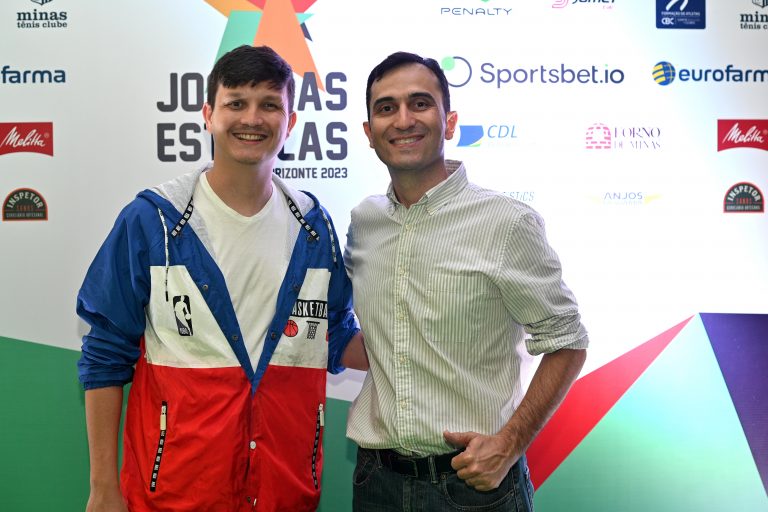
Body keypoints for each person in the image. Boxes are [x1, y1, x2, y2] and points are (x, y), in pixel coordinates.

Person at [77, 45, 367, 512]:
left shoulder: (314, 227)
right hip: (174, 495)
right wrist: (104, 487)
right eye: (236, 103)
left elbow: (335, 336)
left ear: (290, 121)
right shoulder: (153, 221)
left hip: (284, 493)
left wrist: (429, 348)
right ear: (209, 114)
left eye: (269, 104)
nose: (252, 118)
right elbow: (105, 355)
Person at [344, 51, 589, 511]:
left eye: (420, 103)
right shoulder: (364, 222)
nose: (403, 119)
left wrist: (510, 443)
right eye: (386, 108)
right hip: (377, 483)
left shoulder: (506, 222)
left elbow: (568, 340)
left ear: (449, 121)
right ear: (369, 133)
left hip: (473, 488)